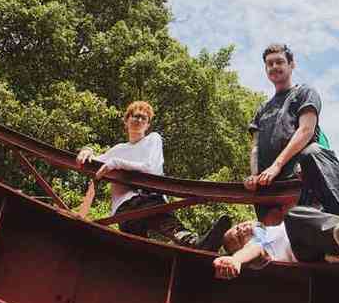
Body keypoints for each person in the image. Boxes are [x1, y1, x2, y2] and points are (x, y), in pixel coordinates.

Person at [244, 43, 339, 226]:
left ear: (291, 65)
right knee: (274, 233)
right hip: (270, 185)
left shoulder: (304, 92)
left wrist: (277, 165)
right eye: (270, 64)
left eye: (280, 62)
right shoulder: (262, 109)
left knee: (313, 153)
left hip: (301, 175)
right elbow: (255, 147)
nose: (274, 67)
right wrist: (254, 175)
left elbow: (306, 130)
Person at [76, 100, 230, 250]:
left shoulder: (153, 139)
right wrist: (87, 150)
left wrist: (117, 163)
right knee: (141, 241)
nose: (139, 120)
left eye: (144, 118)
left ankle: (195, 243)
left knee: (163, 227)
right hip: (125, 209)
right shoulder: (118, 149)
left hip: (150, 201)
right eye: (135, 116)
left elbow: (150, 168)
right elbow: (94, 163)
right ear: (126, 121)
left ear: (147, 125)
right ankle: (194, 243)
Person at [213, 204, 339, 280]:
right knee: (294, 216)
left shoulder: (271, 229)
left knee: (299, 213)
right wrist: (236, 260)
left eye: (237, 227)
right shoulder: (259, 241)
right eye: (238, 237)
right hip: (306, 257)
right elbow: (255, 250)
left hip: (316, 244)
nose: (241, 229)